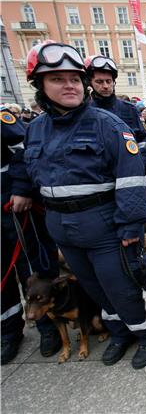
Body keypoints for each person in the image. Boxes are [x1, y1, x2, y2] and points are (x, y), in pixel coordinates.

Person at [11, 41, 146, 369]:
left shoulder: (108, 125)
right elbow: (23, 166)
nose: (69, 85)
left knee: (122, 288)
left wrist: (132, 225)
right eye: (58, 79)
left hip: (106, 227)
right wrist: (20, 190)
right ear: (40, 86)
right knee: (94, 290)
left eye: (74, 79)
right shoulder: (35, 129)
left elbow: (131, 178)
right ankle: (119, 333)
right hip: (63, 229)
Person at [1, 106, 62, 364]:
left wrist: (21, 188)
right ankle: (9, 330)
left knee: (32, 266)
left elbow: (25, 153)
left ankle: (49, 327)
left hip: (12, 206)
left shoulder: (4, 119)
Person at [84, 55, 146, 166]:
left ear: (114, 82)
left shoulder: (130, 109)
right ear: (90, 83)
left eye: (108, 81)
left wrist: (141, 165)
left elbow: (144, 141)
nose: (105, 86)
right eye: (99, 82)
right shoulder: (84, 112)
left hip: (132, 172)